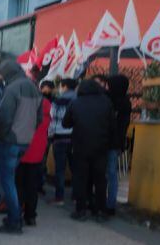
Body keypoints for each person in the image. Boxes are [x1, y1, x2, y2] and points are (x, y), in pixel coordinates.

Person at [0, 59, 42, 234]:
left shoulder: (11, 89)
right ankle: (15, 215)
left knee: (8, 182)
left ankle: (14, 220)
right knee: (12, 180)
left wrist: (0, 135)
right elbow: (39, 118)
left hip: (9, 141)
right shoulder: (34, 88)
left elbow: (4, 117)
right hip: (25, 141)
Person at [64, 79, 115, 221]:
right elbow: (112, 125)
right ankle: (100, 211)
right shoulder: (106, 102)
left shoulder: (76, 102)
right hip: (101, 147)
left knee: (80, 178)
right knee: (100, 179)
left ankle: (81, 210)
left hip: (80, 146)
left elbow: (65, 122)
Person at [16, 84, 52, 227]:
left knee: (19, 184)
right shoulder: (46, 112)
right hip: (38, 151)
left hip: (23, 149)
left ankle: (16, 212)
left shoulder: (26, 108)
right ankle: (30, 215)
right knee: (32, 185)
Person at [48, 78, 77, 206]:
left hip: (59, 137)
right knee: (75, 168)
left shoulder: (58, 100)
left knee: (60, 169)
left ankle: (59, 197)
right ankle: (76, 196)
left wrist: (50, 135)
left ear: (64, 87)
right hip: (74, 137)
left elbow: (52, 116)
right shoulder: (78, 100)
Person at [105, 75, 131, 216]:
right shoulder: (126, 102)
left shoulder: (107, 99)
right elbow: (124, 125)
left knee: (102, 173)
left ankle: (101, 201)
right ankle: (111, 204)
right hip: (116, 143)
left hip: (104, 141)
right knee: (112, 173)